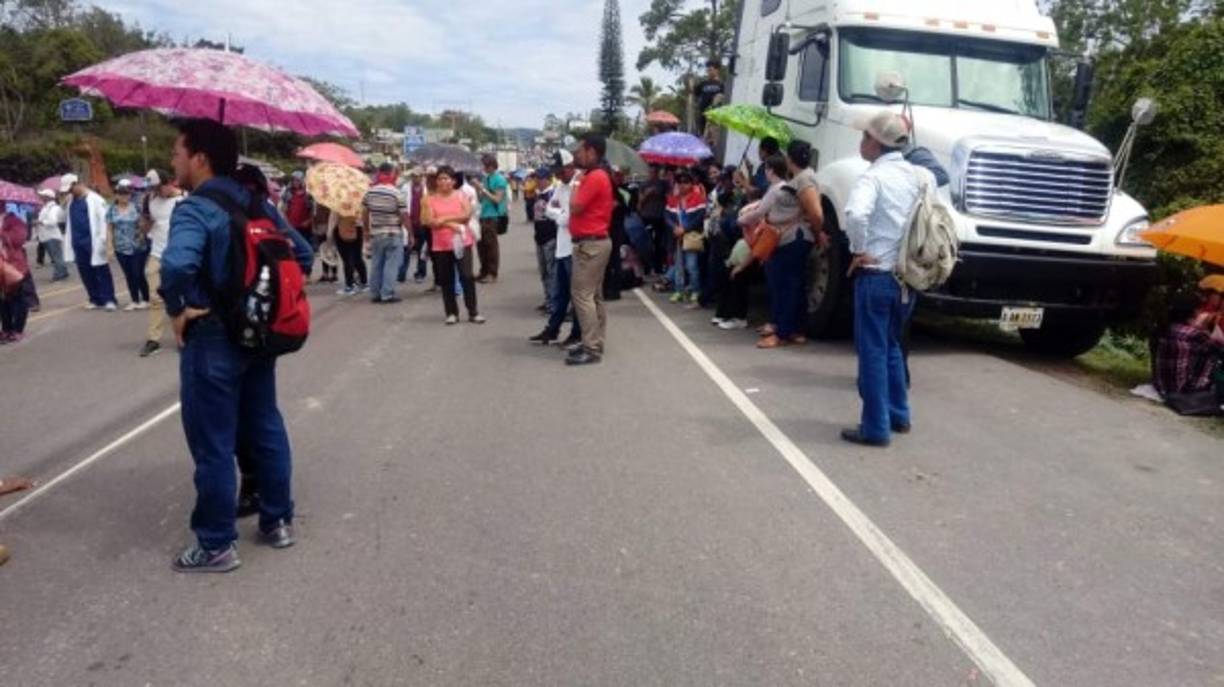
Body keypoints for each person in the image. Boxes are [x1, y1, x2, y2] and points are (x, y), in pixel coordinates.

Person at [159, 118, 313, 572]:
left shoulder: (196, 208)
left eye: (176, 153)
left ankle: (215, 544)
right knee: (265, 426)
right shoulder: (258, 203)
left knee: (213, 442)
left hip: (211, 338)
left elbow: (176, 267)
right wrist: (256, 299)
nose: (174, 162)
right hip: (258, 336)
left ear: (200, 158)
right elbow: (301, 254)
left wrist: (178, 309)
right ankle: (277, 521)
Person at [840, 111, 930, 447]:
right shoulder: (918, 175)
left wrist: (857, 248)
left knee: (873, 351)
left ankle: (875, 427)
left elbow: (856, 214)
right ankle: (899, 414)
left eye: (865, 136)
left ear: (876, 143)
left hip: (876, 273)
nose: (861, 141)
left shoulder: (872, 178)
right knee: (892, 345)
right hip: (907, 275)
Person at [566, 134, 615, 366]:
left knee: (582, 295)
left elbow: (575, 207)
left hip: (590, 244)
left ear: (592, 152)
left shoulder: (594, 177)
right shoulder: (597, 175)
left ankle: (591, 347)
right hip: (594, 242)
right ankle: (595, 341)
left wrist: (575, 183)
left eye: (580, 150)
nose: (577, 155)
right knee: (594, 296)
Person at [529, 151, 580, 346]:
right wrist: (562, 216)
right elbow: (549, 209)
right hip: (562, 245)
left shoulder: (578, 184)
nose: (558, 176)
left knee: (576, 297)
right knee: (560, 293)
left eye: (560, 171)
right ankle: (552, 329)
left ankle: (576, 333)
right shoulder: (561, 187)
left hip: (574, 247)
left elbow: (572, 214)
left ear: (570, 166)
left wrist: (561, 216)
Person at [424, 166, 484, 325]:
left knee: (466, 276)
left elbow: (465, 216)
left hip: (462, 242)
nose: (443, 182)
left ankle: (473, 311)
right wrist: (451, 224)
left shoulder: (461, 195)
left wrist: (443, 220)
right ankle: (451, 312)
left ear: (453, 181)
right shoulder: (429, 199)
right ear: (436, 182)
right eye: (440, 179)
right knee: (446, 279)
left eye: (446, 178)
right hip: (441, 245)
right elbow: (430, 221)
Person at [139, 170, 184, 357]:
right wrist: (145, 224)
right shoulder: (149, 200)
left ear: (168, 184)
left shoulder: (184, 199)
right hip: (157, 254)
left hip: (180, 256)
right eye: (152, 189)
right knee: (155, 298)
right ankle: (153, 339)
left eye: (158, 188)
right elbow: (145, 225)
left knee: (183, 298)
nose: (155, 192)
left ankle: (183, 336)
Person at [1152, 292, 1224, 410]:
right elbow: (1220, 348)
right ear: (1194, 312)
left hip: (1162, 386)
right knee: (1215, 356)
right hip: (1185, 392)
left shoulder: (1165, 328)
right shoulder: (1195, 334)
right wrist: (1208, 328)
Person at [62, 174, 118, 311]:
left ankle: (109, 299)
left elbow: (104, 220)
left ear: (77, 183)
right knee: (85, 272)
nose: (69, 192)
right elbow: (63, 218)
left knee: (101, 271)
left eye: (70, 189)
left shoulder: (95, 199)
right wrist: (63, 202)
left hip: (93, 241)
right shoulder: (70, 202)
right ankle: (95, 298)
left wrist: (104, 240)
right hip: (78, 242)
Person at [363, 162, 410, 304]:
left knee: (376, 263)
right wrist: (410, 233)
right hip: (392, 233)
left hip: (376, 232)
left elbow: (364, 213)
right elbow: (403, 215)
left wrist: (366, 230)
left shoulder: (370, 192)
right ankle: (387, 294)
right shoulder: (397, 193)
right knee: (391, 264)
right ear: (391, 174)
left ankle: (375, 293)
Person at [107, 180, 151, 311]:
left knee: (138, 273)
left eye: (126, 194)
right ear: (116, 195)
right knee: (129, 274)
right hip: (121, 247)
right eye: (121, 194)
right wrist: (109, 246)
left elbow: (144, 222)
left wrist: (143, 231)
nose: (124, 197)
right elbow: (109, 228)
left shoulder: (136, 207)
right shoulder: (111, 210)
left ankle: (146, 299)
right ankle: (134, 300)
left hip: (138, 246)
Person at [666, 170, 707, 307]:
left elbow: (699, 217)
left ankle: (695, 290)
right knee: (678, 266)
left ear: (691, 183)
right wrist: (674, 228)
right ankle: (679, 291)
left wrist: (685, 229)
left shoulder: (698, 198)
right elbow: (666, 216)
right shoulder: (674, 199)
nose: (683, 185)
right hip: (677, 236)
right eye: (680, 182)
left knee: (692, 266)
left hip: (691, 236)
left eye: (686, 182)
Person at [472, 154, 509, 284]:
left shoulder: (499, 179)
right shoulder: (486, 178)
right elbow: (482, 198)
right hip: (482, 215)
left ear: (491, 165)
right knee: (481, 246)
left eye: (485, 166)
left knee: (491, 246)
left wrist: (482, 188)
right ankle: (483, 271)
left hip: (493, 216)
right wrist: (479, 190)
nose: (483, 168)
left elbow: (497, 199)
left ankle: (492, 273)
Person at [0, 207, 30, 343]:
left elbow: (19, 240)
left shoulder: (14, 221)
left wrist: (2, 233)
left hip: (14, 265)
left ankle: (18, 329)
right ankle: (6, 329)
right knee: (3, 300)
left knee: (18, 298)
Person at [532, 167, 558, 313]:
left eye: (541, 179)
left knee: (551, 272)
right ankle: (548, 299)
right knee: (543, 272)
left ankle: (554, 303)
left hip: (550, 237)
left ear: (548, 179)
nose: (538, 181)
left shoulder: (552, 194)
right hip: (539, 237)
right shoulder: (539, 195)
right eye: (537, 178)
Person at [638, 166, 671, 277]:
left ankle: (658, 267)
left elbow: (669, 198)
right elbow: (639, 203)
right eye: (651, 171)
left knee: (659, 243)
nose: (652, 174)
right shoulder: (644, 185)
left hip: (659, 216)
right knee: (645, 242)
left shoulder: (663, 184)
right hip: (646, 216)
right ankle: (647, 266)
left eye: (655, 171)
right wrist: (647, 194)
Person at [329, 211, 367, 295]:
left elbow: (333, 220)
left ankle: (349, 285)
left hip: (341, 229)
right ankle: (364, 282)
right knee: (358, 257)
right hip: (357, 228)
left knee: (347, 259)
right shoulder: (357, 202)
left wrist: (329, 237)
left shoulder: (338, 203)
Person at [34, 189, 68, 282]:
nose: (41, 197)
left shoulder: (53, 208)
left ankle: (59, 273)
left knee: (56, 256)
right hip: (47, 236)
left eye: (43, 196)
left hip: (52, 236)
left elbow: (53, 221)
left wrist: (41, 222)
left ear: (48, 197)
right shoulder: (46, 207)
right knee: (55, 256)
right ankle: (63, 271)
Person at [695, 59, 724, 138]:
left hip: (715, 116)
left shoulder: (722, 84)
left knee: (713, 137)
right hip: (703, 115)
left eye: (711, 70)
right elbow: (695, 94)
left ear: (717, 70)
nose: (708, 72)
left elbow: (723, 99)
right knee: (702, 136)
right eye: (707, 70)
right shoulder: (703, 84)